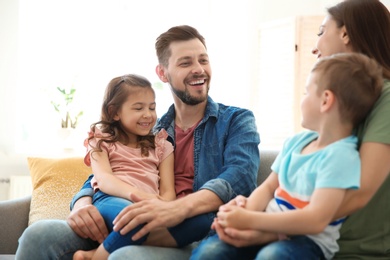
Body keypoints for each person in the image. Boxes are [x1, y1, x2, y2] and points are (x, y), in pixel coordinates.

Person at [15, 25, 260, 259]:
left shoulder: (236, 121)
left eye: (203, 60)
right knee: (37, 236)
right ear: (162, 73)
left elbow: (239, 177)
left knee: (126, 255)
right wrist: (81, 202)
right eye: (186, 62)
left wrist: (175, 209)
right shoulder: (150, 130)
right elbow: (105, 171)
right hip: (131, 218)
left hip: (195, 231)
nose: (199, 69)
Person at [195, 0, 390, 259]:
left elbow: (360, 192)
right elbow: (271, 188)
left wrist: (262, 227)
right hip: (285, 229)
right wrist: (249, 215)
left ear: (345, 33)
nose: (313, 47)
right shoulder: (306, 138)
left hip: (339, 246)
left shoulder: (385, 98)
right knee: (212, 249)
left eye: (321, 32)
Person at [72, 74, 176, 260]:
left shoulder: (162, 145)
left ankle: (95, 254)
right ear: (114, 112)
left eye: (152, 107)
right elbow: (104, 179)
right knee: (135, 220)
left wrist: (161, 206)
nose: (148, 114)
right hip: (109, 200)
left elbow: (169, 192)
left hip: (150, 205)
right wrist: (139, 197)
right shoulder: (100, 139)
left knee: (189, 227)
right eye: (138, 108)